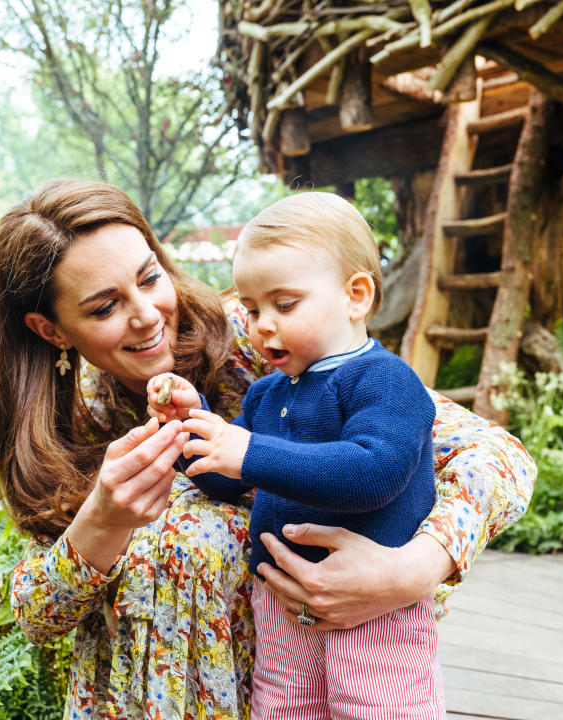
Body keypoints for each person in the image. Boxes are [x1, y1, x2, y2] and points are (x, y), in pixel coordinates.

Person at [0, 179, 535, 720]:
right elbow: (37, 615)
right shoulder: (68, 427)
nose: (147, 315)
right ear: (51, 331)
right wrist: (101, 522)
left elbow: (498, 455)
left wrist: (414, 570)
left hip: (322, 668)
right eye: (105, 308)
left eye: (150, 278)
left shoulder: (268, 339)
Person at [146, 192, 443, 719]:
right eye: (253, 308)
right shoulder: (267, 394)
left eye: (285, 305)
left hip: (370, 608)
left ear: (355, 296)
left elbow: (375, 472)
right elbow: (224, 479)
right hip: (280, 604)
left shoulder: (385, 380)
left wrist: (251, 453)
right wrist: (191, 429)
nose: (263, 325)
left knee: (376, 708)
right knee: (284, 707)